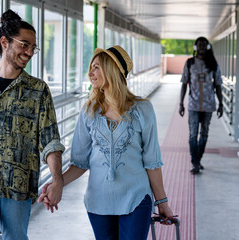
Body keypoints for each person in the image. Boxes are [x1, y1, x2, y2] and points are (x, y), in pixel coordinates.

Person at [39, 45, 174, 239]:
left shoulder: (143, 109)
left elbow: (152, 162)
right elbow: (80, 163)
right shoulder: (89, 111)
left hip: (136, 198)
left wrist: (162, 202)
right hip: (98, 201)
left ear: (112, 70)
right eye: (91, 67)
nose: (90, 73)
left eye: (96, 67)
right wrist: (56, 184)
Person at [0, 9, 65, 240]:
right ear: (4, 42)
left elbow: (50, 140)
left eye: (33, 47)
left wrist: (58, 181)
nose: (29, 52)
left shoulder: (38, 90)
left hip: (17, 185)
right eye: (24, 45)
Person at [179, 36, 223, 174]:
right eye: (200, 45)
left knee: (204, 134)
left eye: (204, 44)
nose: (202, 47)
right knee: (193, 134)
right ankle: (195, 162)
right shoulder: (190, 63)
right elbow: (184, 84)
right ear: (196, 47)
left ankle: (198, 160)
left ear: (208, 47)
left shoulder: (213, 64)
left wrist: (221, 104)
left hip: (208, 105)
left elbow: (218, 85)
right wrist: (181, 103)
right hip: (193, 105)